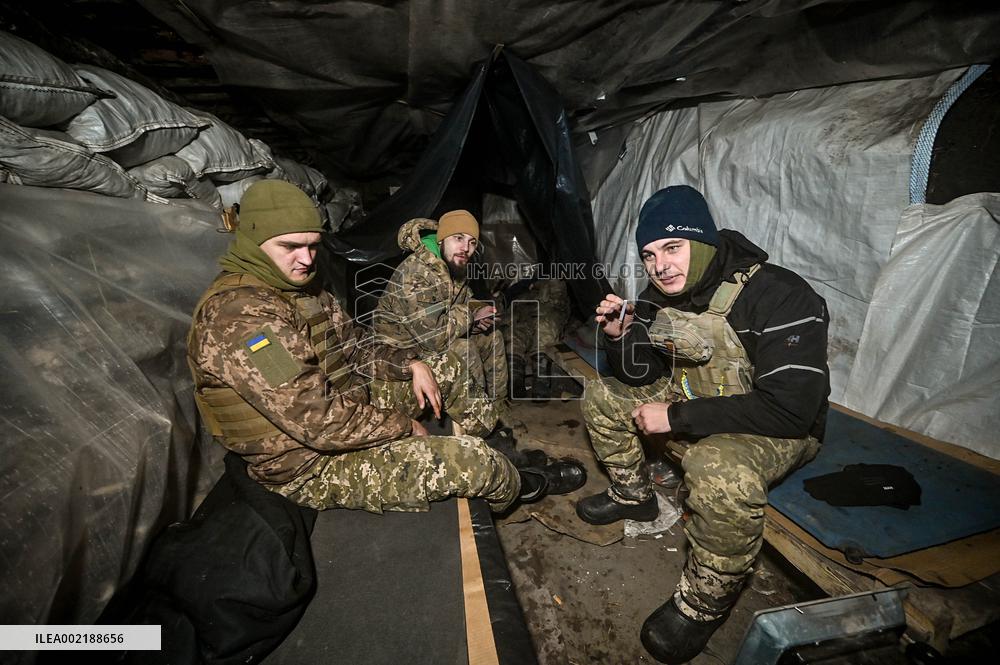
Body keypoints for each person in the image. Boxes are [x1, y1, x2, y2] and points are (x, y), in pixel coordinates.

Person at [187, 181, 582, 514]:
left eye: (313, 246)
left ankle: (497, 444)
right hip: (310, 464)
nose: (306, 259)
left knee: (445, 367)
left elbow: (357, 347)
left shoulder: (303, 288)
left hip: (352, 404)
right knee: (475, 465)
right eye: (290, 246)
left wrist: (409, 364)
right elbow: (318, 421)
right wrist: (402, 426)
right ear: (253, 242)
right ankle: (515, 484)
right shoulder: (241, 319)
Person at [577, 185, 830, 663]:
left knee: (715, 466)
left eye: (673, 247)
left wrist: (675, 417)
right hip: (697, 398)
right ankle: (634, 496)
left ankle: (704, 601)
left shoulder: (780, 295)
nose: (660, 265)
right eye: (649, 255)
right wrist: (619, 336)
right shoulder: (656, 297)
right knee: (602, 395)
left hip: (776, 424)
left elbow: (791, 410)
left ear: (703, 242)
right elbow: (643, 374)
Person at [372, 211, 510, 434]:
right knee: (464, 349)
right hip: (398, 356)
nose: (465, 248)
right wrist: (470, 315)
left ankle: (497, 414)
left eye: (472, 242)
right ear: (441, 239)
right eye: (458, 238)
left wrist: (478, 312)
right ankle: (475, 429)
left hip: (429, 341)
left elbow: (460, 303)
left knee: (493, 338)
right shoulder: (416, 273)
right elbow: (435, 338)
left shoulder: (452, 265)